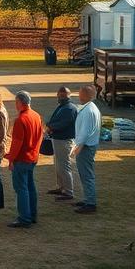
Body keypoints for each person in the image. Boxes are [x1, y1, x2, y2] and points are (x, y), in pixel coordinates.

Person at [5, 90, 42, 228]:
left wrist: (10, 159)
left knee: (21, 189)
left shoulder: (21, 120)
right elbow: (40, 136)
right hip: (32, 157)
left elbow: (17, 143)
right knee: (30, 187)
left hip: (22, 159)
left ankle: (25, 218)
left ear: (19, 102)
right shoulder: (36, 116)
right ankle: (32, 215)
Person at [44, 86, 78, 202]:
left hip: (63, 141)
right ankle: (61, 187)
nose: (60, 97)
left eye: (62, 96)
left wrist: (50, 127)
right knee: (59, 165)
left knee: (64, 166)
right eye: (59, 95)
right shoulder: (64, 107)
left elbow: (62, 123)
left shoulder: (69, 108)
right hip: (59, 140)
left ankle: (68, 191)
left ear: (68, 96)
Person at [72, 84, 102, 214]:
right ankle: (88, 199)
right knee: (85, 174)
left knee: (86, 175)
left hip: (86, 146)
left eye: (80, 93)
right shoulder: (90, 108)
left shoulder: (88, 111)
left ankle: (90, 203)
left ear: (84, 95)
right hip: (87, 145)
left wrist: (78, 147)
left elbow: (84, 132)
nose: (79, 95)